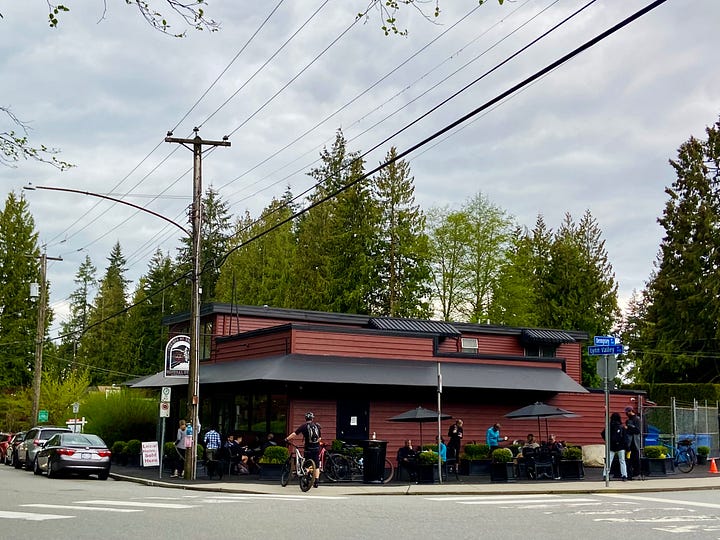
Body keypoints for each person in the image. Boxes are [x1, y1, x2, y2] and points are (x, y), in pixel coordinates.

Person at [285, 412, 322, 488]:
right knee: (317, 465)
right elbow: (320, 438)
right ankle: (316, 482)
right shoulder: (317, 426)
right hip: (316, 448)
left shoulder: (303, 426)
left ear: (305, 418)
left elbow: (294, 434)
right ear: (312, 418)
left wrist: (287, 439)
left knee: (307, 464)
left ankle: (306, 478)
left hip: (308, 448)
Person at [602, 412, 628, 481]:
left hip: (611, 446)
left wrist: (607, 441)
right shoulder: (622, 427)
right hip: (621, 446)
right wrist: (627, 447)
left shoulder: (609, 426)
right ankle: (624, 475)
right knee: (622, 461)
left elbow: (603, 434)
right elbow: (625, 438)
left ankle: (605, 474)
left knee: (608, 461)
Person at [625, 406, 642, 478]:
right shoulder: (628, 420)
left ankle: (636, 472)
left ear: (630, 411)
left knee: (635, 458)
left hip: (634, 442)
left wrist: (629, 428)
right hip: (630, 442)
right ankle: (630, 472)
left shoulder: (637, 419)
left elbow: (638, 431)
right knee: (629, 458)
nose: (626, 413)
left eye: (627, 412)